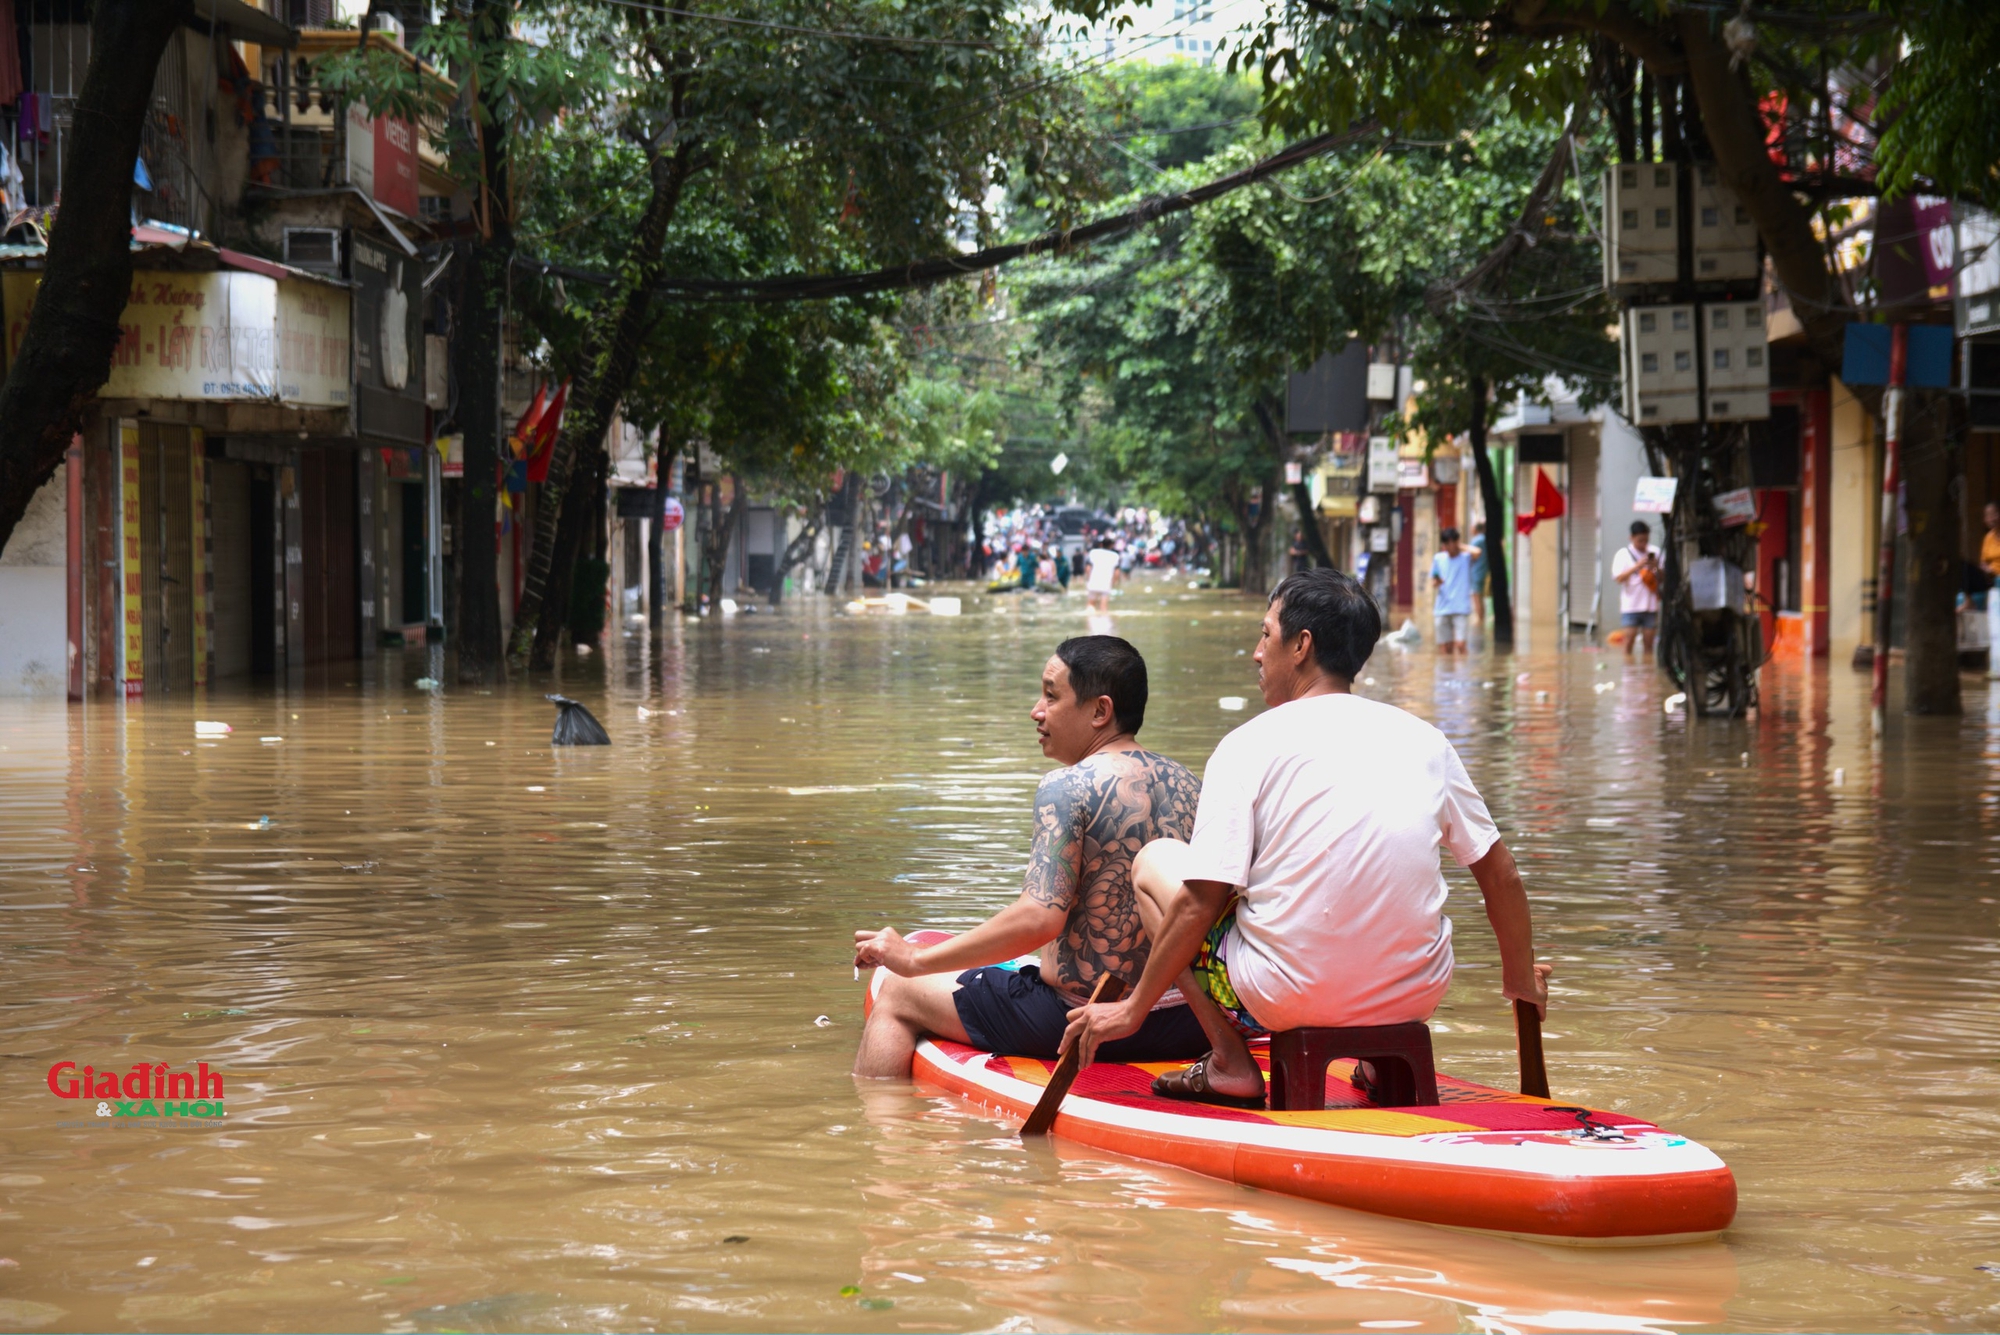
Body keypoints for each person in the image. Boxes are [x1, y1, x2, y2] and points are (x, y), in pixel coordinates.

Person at [1059, 569, 1550, 1107]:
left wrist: (1132, 1012)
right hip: (1416, 995)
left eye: (1265, 634)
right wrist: (1520, 979)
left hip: (1280, 1000)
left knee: (1155, 861)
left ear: (1301, 646)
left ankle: (1229, 1060)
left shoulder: (1248, 745)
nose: (1255, 652)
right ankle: (1374, 1059)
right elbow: (1500, 874)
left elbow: (1201, 901)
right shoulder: (1428, 741)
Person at [853, 636, 1208, 1077]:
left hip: (1078, 1019)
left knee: (898, 995)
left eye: (1051, 695)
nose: (1036, 711)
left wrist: (912, 960)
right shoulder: (1190, 785)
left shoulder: (1066, 786)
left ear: (1100, 711)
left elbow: (1039, 919)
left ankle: (875, 1135)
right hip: (1185, 1020)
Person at [1611, 520, 1662, 657]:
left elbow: (1664, 578)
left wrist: (1656, 567)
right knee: (1628, 643)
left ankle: (1647, 675)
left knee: (1649, 646)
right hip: (1631, 607)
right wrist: (1637, 566)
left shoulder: (1655, 552)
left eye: (1646, 540)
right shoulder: (1623, 554)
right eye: (1640, 540)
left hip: (1650, 606)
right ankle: (1628, 674)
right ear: (1631, 538)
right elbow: (1618, 578)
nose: (1643, 544)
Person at [1429, 527, 1474, 654]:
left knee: (1461, 645)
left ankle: (1463, 673)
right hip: (1443, 607)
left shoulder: (1465, 558)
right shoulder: (1438, 558)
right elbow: (1433, 581)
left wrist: (1460, 546)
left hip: (1461, 607)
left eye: (1453, 542)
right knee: (1445, 648)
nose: (1450, 546)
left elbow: (1478, 552)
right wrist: (1437, 582)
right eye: (1447, 543)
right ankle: (1446, 673)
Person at [1084, 540, 1121, 613]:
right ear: (1111, 545)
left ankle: (1090, 621)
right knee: (1103, 607)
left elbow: (1088, 568)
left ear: (1101, 544)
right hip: (1106, 583)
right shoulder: (1114, 556)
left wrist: (1089, 578)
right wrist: (1114, 582)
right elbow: (1117, 572)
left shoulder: (1093, 553)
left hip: (1093, 581)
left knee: (1090, 605)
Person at [1468, 522, 1488, 630]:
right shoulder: (1485, 539)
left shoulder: (1477, 540)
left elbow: (1470, 555)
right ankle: (1482, 618)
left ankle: (1480, 619)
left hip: (1477, 571)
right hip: (1483, 570)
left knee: (1476, 596)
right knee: (1479, 597)